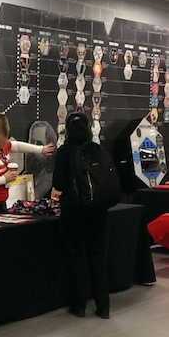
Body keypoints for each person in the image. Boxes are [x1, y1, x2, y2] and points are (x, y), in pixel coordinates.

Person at [52, 112, 110, 319]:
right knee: (97, 255)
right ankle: (103, 306)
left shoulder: (65, 152)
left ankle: (79, 305)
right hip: (98, 210)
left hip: (73, 210)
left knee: (76, 256)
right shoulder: (96, 150)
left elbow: (58, 184)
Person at [0, 113, 55, 213]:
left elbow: (17, 146)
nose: (8, 131)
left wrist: (40, 149)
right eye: (5, 130)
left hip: (2, 202)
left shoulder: (3, 146)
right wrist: (4, 179)